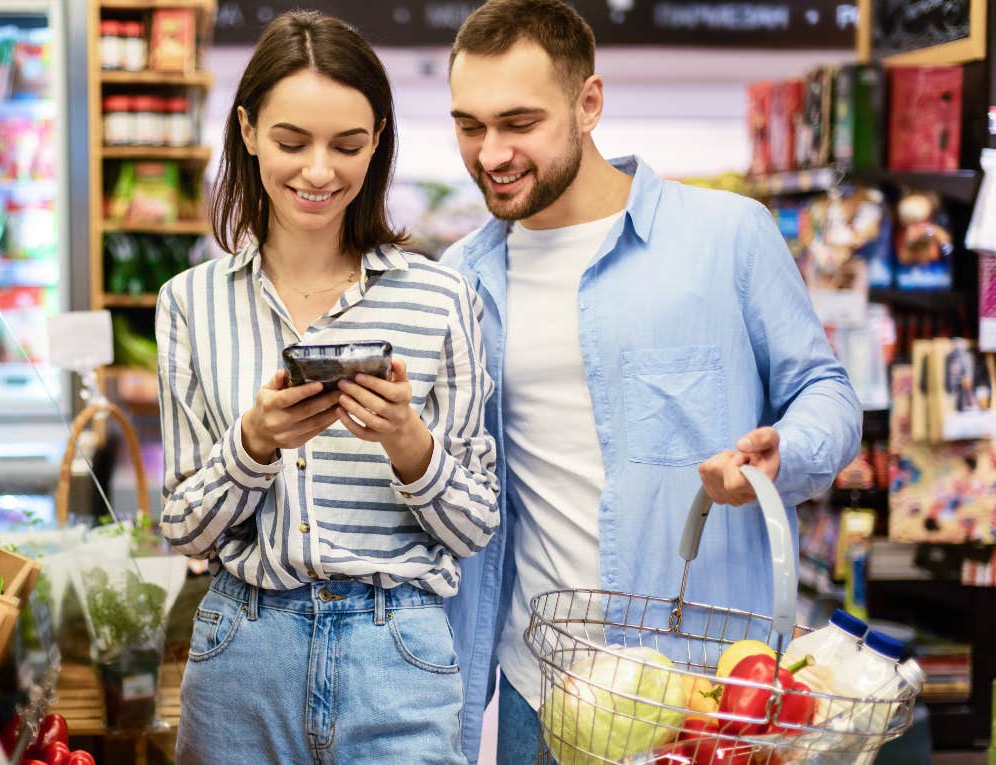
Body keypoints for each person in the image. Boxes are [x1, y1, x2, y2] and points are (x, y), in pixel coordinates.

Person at [437, 1, 864, 762]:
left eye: (519, 122)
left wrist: (785, 448)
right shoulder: (461, 280)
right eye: (470, 126)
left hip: (708, 697)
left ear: (589, 102)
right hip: (546, 689)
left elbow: (827, 392)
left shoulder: (728, 236)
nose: (491, 153)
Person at [156, 10, 500, 764]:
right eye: (291, 142)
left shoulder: (443, 298)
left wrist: (411, 445)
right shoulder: (190, 302)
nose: (319, 172)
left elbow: (476, 525)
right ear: (247, 130)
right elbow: (183, 528)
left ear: (377, 141)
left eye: (347, 145)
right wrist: (253, 444)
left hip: (399, 656)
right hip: (243, 651)